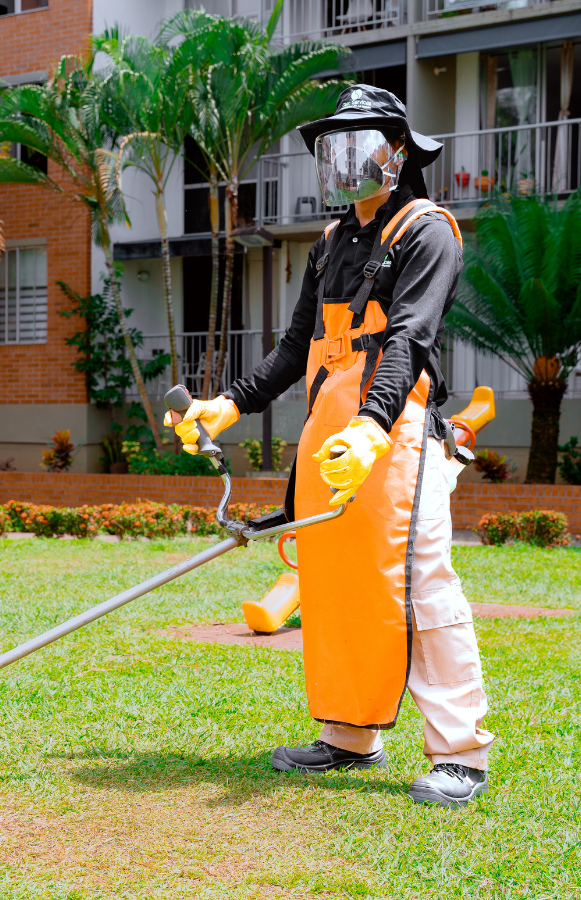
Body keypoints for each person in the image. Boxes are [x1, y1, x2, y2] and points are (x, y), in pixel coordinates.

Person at [165, 85, 494, 809]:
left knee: (419, 588)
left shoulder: (427, 231)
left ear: (397, 151)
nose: (344, 160)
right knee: (338, 588)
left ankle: (461, 753)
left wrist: (373, 428)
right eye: (332, 148)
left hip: (395, 439)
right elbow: (293, 349)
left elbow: (408, 339)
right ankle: (350, 734)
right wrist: (231, 402)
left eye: (359, 144)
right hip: (327, 440)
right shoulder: (330, 242)